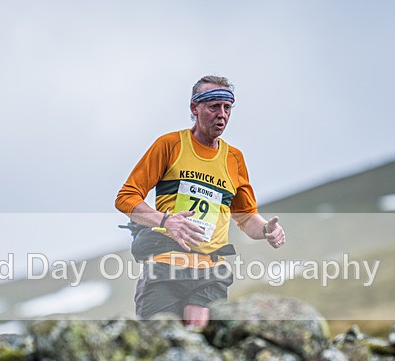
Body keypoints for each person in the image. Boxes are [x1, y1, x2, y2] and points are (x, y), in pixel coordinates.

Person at [115, 75, 285, 327]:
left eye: (227, 108)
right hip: (165, 264)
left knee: (196, 345)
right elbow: (126, 197)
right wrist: (166, 220)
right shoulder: (170, 145)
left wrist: (265, 230)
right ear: (195, 108)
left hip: (210, 271)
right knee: (160, 342)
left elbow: (246, 216)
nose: (222, 115)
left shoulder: (234, 159)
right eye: (214, 106)